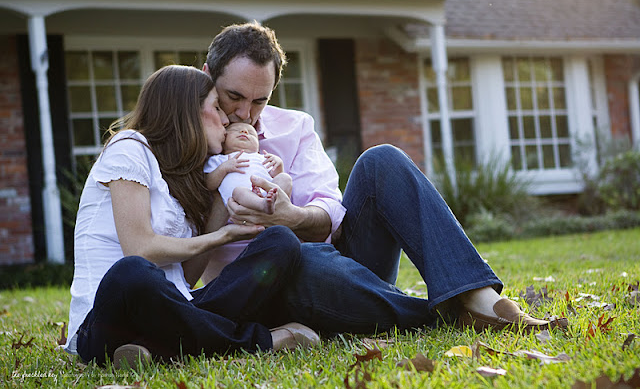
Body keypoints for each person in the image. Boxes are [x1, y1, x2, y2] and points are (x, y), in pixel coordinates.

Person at [201, 21, 569, 334]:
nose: (245, 113)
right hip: (264, 285)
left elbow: (330, 215)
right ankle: (439, 315)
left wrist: (290, 216)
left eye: (260, 101)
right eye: (234, 96)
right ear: (208, 76)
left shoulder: (294, 127)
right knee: (297, 256)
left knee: (382, 160)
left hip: (342, 267)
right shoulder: (187, 142)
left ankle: (477, 297)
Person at [64, 65, 319, 368]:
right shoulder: (129, 148)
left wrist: (224, 193)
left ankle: (153, 350)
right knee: (132, 271)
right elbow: (140, 249)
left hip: (173, 309)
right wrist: (223, 236)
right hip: (109, 318)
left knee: (280, 242)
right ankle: (261, 341)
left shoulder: (187, 174)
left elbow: (184, 279)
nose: (227, 119)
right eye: (216, 107)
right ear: (187, 112)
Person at [205, 122, 292, 214]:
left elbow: (275, 176)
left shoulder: (263, 158)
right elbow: (209, 184)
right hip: (239, 201)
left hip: (267, 194)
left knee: (285, 178)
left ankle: (275, 205)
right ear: (223, 140)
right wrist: (223, 168)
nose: (244, 131)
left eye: (251, 133)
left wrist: (278, 165)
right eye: (235, 130)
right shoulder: (219, 159)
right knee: (238, 191)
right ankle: (263, 204)